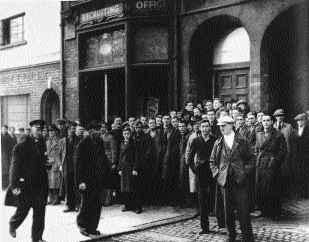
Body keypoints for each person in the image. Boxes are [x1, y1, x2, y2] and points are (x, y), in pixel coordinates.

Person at [210, 116, 255, 242]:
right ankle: (231, 235)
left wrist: (245, 172)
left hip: (240, 181)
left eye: (223, 125)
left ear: (231, 125)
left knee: (243, 211)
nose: (221, 128)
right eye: (220, 125)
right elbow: (212, 161)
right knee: (227, 210)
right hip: (225, 181)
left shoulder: (242, 141)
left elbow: (252, 159)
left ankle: (247, 236)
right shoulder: (218, 142)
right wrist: (217, 175)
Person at [5, 120, 50, 242]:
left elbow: (43, 161)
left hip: (40, 184)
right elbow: (14, 167)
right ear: (31, 129)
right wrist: (14, 185)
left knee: (40, 212)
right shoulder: (21, 146)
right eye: (37, 129)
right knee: (23, 209)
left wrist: (47, 164)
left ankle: (37, 238)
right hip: (27, 184)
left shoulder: (42, 144)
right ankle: (13, 224)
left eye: (41, 129)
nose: (39, 132)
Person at [75, 121, 110, 237]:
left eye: (100, 129)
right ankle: (83, 225)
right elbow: (79, 165)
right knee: (87, 204)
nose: (100, 131)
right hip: (87, 180)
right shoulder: (83, 144)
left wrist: (107, 174)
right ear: (90, 131)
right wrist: (81, 181)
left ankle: (92, 227)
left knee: (97, 204)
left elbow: (103, 159)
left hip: (99, 179)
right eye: (97, 130)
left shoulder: (99, 142)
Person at [188, 119, 218, 234]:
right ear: (200, 128)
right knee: (202, 198)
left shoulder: (215, 140)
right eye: (203, 126)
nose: (205, 129)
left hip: (213, 171)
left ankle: (221, 223)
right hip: (201, 173)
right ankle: (204, 227)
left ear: (210, 127)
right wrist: (194, 169)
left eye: (207, 126)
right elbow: (189, 159)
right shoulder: (196, 140)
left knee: (215, 196)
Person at [255, 114, 287, 220]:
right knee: (261, 188)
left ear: (272, 122)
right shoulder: (259, 134)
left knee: (273, 188)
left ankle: (275, 212)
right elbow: (256, 149)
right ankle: (264, 211)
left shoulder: (278, 135)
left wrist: (274, 160)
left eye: (268, 120)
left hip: (272, 165)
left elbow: (283, 151)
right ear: (261, 122)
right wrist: (257, 158)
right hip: (261, 163)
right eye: (264, 121)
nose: (266, 123)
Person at [58, 121, 82, 212]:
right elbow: (59, 154)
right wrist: (60, 164)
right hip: (66, 166)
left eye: (73, 129)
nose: (72, 130)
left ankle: (77, 205)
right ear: (67, 130)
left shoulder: (79, 140)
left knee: (75, 186)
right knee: (67, 186)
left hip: (76, 166)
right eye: (70, 129)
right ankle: (68, 205)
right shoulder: (62, 141)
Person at [118, 127, 142, 213]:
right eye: (124, 134)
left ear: (130, 134)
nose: (126, 135)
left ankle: (137, 207)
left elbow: (137, 157)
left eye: (128, 133)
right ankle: (128, 205)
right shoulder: (122, 144)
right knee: (125, 188)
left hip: (131, 168)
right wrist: (119, 168)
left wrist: (135, 168)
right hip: (124, 168)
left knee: (134, 188)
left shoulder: (135, 143)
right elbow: (120, 157)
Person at [290, 113, 309, 198]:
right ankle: (299, 192)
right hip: (296, 156)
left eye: (301, 120)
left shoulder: (308, 130)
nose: (299, 122)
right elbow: (292, 143)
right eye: (298, 121)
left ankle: (306, 193)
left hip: (306, 155)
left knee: (306, 173)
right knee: (298, 173)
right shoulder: (294, 131)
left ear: (305, 121)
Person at [100, 121, 117, 206]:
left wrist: (113, 162)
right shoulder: (98, 137)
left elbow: (113, 150)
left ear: (106, 128)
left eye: (103, 127)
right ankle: (102, 199)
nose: (102, 129)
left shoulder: (110, 137)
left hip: (108, 160)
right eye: (100, 127)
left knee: (109, 180)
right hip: (100, 161)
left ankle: (108, 200)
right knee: (102, 180)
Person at [46, 124, 61, 205]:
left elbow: (60, 154)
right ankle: (50, 198)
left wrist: (58, 164)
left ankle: (57, 199)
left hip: (56, 162)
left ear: (56, 132)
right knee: (48, 181)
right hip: (48, 163)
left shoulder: (59, 141)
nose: (51, 133)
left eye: (53, 131)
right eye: (50, 131)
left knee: (56, 181)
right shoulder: (47, 142)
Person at [178, 120, 191, 207]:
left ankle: (187, 202)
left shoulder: (188, 137)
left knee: (186, 181)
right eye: (180, 127)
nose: (181, 128)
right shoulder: (181, 136)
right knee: (182, 181)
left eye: (183, 126)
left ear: (186, 127)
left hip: (186, 161)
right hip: (181, 161)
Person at [2, 124, 13, 190]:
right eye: (3, 129)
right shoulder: (0, 136)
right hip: (2, 156)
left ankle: (7, 185)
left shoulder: (9, 137)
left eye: (5, 129)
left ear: (7, 129)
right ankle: (3, 185)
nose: (4, 130)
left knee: (8, 170)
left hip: (8, 156)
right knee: (3, 170)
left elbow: (11, 147)